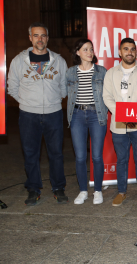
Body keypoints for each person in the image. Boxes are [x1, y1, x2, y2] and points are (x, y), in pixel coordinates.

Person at [7, 22, 68, 205]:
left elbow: (64, 87)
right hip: (28, 115)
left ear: (47, 38)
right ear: (30, 38)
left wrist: (53, 101)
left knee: (56, 153)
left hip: (54, 113)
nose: (39, 39)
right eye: (36, 35)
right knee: (30, 153)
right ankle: (33, 189)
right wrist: (28, 102)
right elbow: (12, 87)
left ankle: (58, 188)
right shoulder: (19, 60)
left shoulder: (59, 60)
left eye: (43, 36)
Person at [103, 37, 137, 207]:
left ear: (136, 52)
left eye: (132, 49)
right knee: (121, 160)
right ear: (119, 52)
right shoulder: (111, 73)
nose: (129, 52)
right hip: (119, 125)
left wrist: (135, 115)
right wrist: (123, 114)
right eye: (126, 49)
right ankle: (121, 192)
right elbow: (106, 97)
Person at [66, 38, 108, 205]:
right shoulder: (70, 72)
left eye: (91, 49)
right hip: (76, 115)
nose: (90, 52)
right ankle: (83, 190)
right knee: (80, 156)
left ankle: (97, 191)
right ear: (78, 52)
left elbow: (108, 93)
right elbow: (64, 92)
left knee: (97, 156)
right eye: (85, 49)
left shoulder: (101, 71)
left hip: (96, 115)